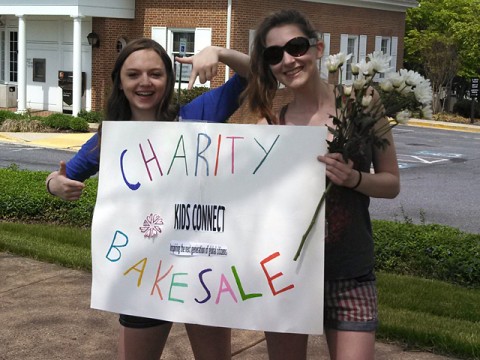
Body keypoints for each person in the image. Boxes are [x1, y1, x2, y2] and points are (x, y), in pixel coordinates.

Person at [45, 38, 249, 360]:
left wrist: (219, 53)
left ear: (168, 80)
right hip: (145, 273)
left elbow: (257, 76)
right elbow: (61, 175)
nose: (145, 82)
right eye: (133, 74)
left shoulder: (196, 116)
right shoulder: (111, 138)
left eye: (155, 74)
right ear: (121, 83)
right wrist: (54, 183)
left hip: (204, 269)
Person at [242, 9, 400, 360]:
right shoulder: (272, 123)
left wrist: (355, 178)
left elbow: (391, 184)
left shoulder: (362, 103)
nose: (288, 60)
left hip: (350, 273)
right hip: (288, 275)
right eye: (274, 55)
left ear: (317, 48)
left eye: (296, 47)